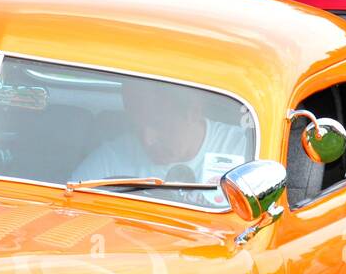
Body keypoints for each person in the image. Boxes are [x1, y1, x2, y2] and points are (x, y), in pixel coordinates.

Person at [70, 80, 250, 207]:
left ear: (193, 113)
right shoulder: (110, 161)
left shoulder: (241, 149)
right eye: (138, 127)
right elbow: (72, 207)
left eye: (158, 125)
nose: (148, 139)